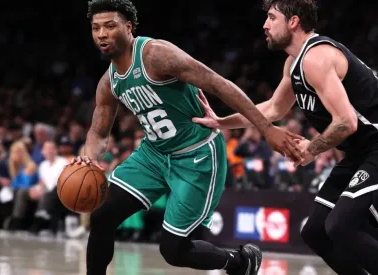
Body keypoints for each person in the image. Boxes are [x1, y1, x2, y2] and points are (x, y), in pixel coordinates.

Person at [71, 0, 307, 274]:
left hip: (197, 154)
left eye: (110, 26)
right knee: (102, 216)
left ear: (128, 27)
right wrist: (89, 159)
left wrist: (267, 128)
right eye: (96, 28)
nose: (102, 34)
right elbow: (98, 132)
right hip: (154, 154)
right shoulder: (108, 81)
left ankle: (239, 262)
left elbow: (219, 84)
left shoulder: (156, 55)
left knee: (173, 250)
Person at [193, 1, 378, 274]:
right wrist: (221, 122)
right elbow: (273, 108)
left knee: (342, 225)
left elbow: (346, 122)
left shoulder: (316, 58)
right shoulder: (294, 63)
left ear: (293, 22)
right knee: (315, 232)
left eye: (271, 18)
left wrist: (312, 148)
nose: (265, 25)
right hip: (361, 152)